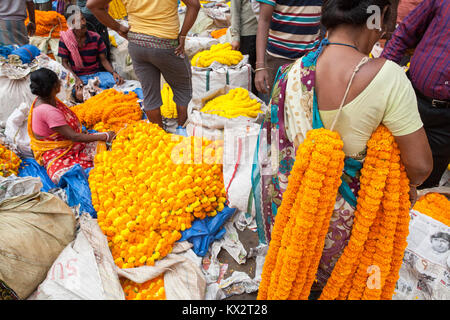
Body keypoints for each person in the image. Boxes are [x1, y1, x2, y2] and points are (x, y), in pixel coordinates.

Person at [250, 0, 432, 292]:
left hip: (300, 218)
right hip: (353, 229)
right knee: (346, 288)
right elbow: (421, 167)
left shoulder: (290, 73)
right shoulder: (389, 78)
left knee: (298, 284)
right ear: (380, 15)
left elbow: (276, 153)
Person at [87, 0, 201, 136]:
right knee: (183, 89)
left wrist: (118, 27)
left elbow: (92, 5)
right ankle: (181, 131)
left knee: (150, 95)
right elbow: (194, 5)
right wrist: (183, 35)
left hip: (137, 44)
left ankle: (158, 137)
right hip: (166, 44)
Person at [382, 0, 449, 189]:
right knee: (381, 168)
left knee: (425, 184)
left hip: (445, 123)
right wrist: (380, 78)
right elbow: (405, 33)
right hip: (411, 98)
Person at [28, 68, 115, 184]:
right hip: (59, 153)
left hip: (69, 142)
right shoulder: (49, 111)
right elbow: (74, 137)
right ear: (54, 87)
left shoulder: (44, 100)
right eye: (58, 81)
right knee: (105, 153)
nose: (60, 83)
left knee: (107, 145)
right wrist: (104, 136)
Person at [254, 0, 323, 95]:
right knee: (279, 105)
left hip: (310, 59)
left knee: (307, 105)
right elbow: (264, 21)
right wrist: (260, 66)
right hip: (279, 60)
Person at [58, 12, 123, 100]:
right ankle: (101, 93)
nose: (83, 23)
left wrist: (113, 73)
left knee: (119, 83)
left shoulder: (96, 37)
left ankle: (99, 92)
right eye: (78, 21)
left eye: (83, 19)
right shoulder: (65, 40)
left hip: (97, 74)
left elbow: (104, 60)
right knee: (80, 94)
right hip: (79, 77)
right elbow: (65, 63)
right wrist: (76, 79)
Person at [230, 0, 259, 95]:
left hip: (265, 34)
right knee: (249, 75)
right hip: (248, 34)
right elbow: (235, 11)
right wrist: (235, 36)